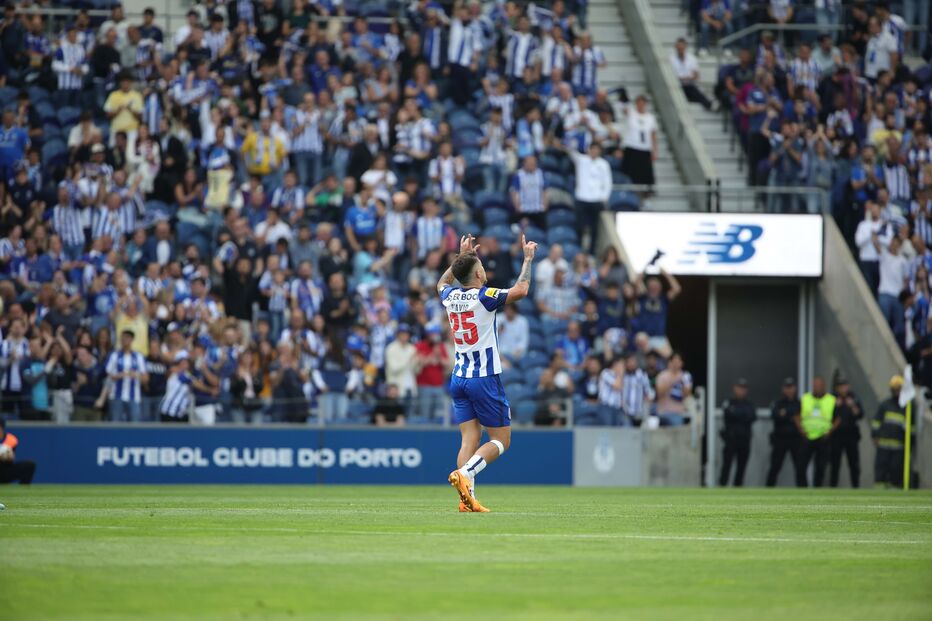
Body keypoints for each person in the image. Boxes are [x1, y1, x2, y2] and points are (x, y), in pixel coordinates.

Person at [440, 233, 538, 513]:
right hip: (483, 378)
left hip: (459, 377)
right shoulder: (485, 296)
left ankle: (466, 499)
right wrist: (528, 260)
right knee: (501, 440)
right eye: (480, 265)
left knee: (469, 439)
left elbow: (441, 283)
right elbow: (521, 290)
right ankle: (465, 475)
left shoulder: (450, 296)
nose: (483, 269)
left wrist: (461, 257)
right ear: (478, 274)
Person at [795, 376, 838, 488]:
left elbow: (838, 418)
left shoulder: (831, 400)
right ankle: (802, 488)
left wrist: (830, 431)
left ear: (824, 386)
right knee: (801, 464)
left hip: (823, 437)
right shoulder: (805, 398)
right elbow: (796, 415)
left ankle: (817, 487)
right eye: (815, 385)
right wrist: (801, 429)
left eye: (819, 385)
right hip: (807, 436)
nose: (817, 388)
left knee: (821, 466)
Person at [872, 375, 912, 488]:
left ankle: (894, 488)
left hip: (899, 446)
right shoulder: (885, 405)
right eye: (895, 389)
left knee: (896, 469)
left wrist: (910, 441)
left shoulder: (907, 408)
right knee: (881, 468)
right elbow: (876, 422)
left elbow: (911, 428)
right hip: (884, 444)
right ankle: (879, 489)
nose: (897, 392)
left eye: (899, 389)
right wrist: (875, 435)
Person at [719, 378, 756, 487]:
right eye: (739, 388)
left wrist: (737, 413)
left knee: (741, 466)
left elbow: (752, 416)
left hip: (744, 439)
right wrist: (742, 414)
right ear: (735, 388)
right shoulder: (728, 402)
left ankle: (738, 488)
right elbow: (728, 414)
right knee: (727, 465)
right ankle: (722, 487)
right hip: (731, 439)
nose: (741, 391)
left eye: (744, 388)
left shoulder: (749, 403)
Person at [765, 377, 801, 487]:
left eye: (791, 387)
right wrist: (791, 416)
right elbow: (775, 415)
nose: (789, 390)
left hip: (795, 438)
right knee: (775, 466)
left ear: (795, 388)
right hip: (780, 438)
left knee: (800, 467)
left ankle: (803, 490)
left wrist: (785, 414)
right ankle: (768, 490)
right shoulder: (778, 403)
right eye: (787, 387)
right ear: (783, 389)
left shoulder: (799, 403)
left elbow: (801, 416)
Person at [830, 376, 863, 488]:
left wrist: (852, 405)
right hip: (836, 435)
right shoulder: (832, 398)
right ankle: (833, 487)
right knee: (835, 463)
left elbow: (860, 415)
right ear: (837, 388)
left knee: (854, 463)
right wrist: (835, 406)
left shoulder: (854, 398)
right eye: (841, 386)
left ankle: (855, 486)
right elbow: (827, 415)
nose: (843, 389)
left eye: (845, 386)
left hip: (851, 435)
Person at [654, 352, 692, 426]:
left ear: (682, 363)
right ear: (669, 362)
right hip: (664, 412)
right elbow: (659, 394)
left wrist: (683, 382)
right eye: (674, 362)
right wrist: (673, 380)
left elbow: (687, 394)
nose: (676, 364)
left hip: (679, 412)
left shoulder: (685, 376)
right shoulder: (662, 376)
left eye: (678, 362)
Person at [0, 418, 36, 484]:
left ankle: (23, 488)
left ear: (2, 427)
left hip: (5, 470)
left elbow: (10, 457)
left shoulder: (10, 439)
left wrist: (6, 456)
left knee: (30, 465)